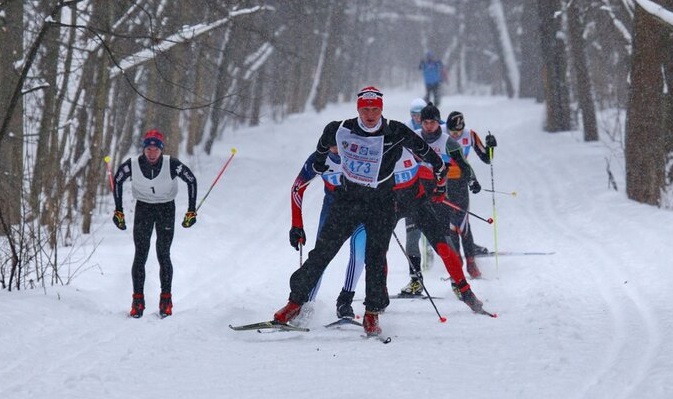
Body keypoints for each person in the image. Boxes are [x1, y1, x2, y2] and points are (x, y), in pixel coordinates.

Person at [273, 86, 446, 336]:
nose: (370, 114)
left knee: (375, 258)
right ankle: (295, 303)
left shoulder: (396, 130)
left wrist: (439, 173)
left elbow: (425, 151)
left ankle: (372, 313)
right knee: (322, 253)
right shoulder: (338, 129)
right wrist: (320, 163)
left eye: (375, 109)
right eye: (365, 109)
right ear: (358, 109)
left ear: (381, 109)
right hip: (348, 200)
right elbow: (320, 153)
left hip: (381, 203)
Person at [391, 129, 484, 311]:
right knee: (403, 243)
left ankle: (462, 288)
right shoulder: (394, 149)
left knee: (444, 245)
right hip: (400, 205)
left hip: (424, 204)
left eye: (431, 121)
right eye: (423, 121)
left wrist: (444, 188)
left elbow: (450, 167)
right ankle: (413, 282)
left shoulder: (440, 142)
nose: (427, 125)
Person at [112, 129, 198, 318]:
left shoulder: (171, 164)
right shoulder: (133, 165)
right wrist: (118, 210)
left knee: (163, 254)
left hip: (166, 209)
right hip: (144, 209)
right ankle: (137, 301)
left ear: (161, 150)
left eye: (155, 150)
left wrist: (191, 210)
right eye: (148, 149)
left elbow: (191, 180)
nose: (152, 153)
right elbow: (117, 179)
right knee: (140, 255)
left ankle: (166, 301)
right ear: (144, 149)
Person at [289, 149, 366, 322]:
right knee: (320, 257)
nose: (337, 150)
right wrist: (297, 225)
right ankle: (306, 304)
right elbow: (297, 188)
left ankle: (345, 302)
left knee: (359, 254)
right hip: (333, 209)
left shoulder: (360, 152)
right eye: (332, 146)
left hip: (362, 209)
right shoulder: (320, 158)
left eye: (340, 144)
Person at [445, 111, 497, 278]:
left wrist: (491, 147)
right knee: (450, 225)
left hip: (461, 182)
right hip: (443, 183)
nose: (456, 135)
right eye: (453, 132)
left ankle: (471, 263)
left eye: (458, 132)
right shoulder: (440, 134)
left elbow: (486, 158)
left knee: (463, 224)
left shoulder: (470, 135)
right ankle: (456, 263)